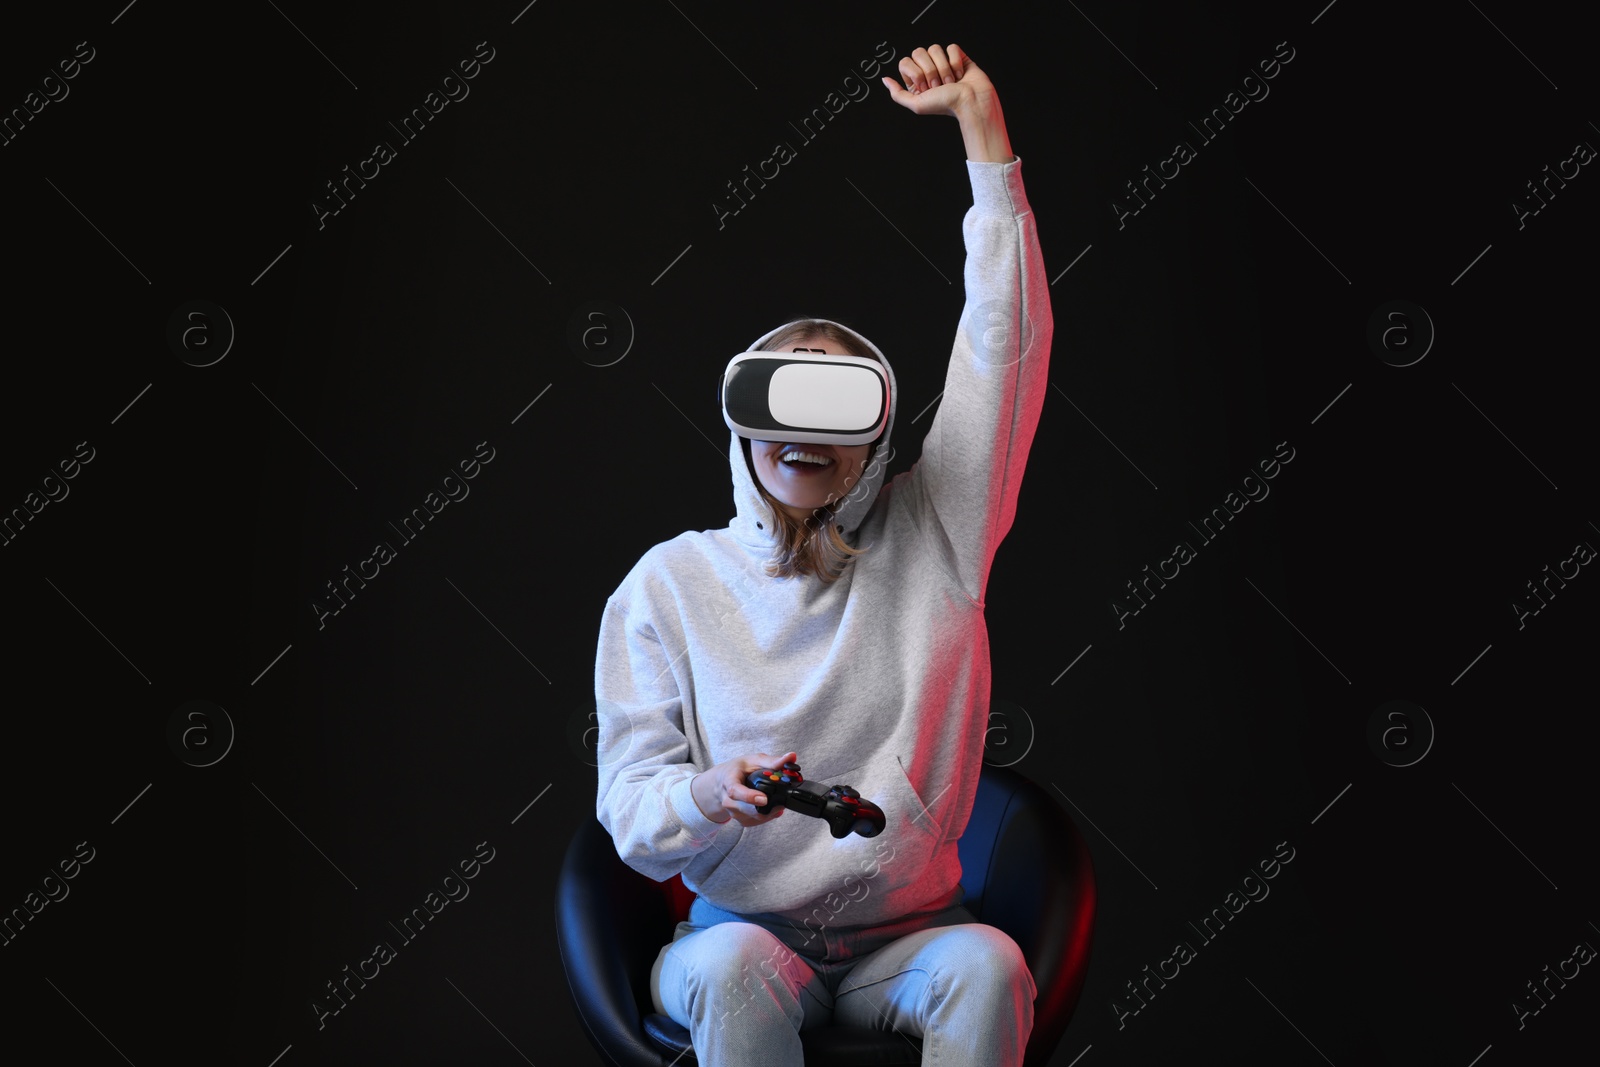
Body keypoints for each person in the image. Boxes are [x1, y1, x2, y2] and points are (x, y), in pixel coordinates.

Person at [593, 42, 1052, 1067]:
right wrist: (706, 794)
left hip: (906, 938)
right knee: (725, 971)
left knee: (991, 966)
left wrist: (986, 142)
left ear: (875, 434)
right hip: (735, 935)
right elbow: (627, 807)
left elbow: (1000, 349)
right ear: (740, 423)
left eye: (837, 402)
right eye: (778, 398)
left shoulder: (939, 531)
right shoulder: (666, 585)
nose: (802, 432)